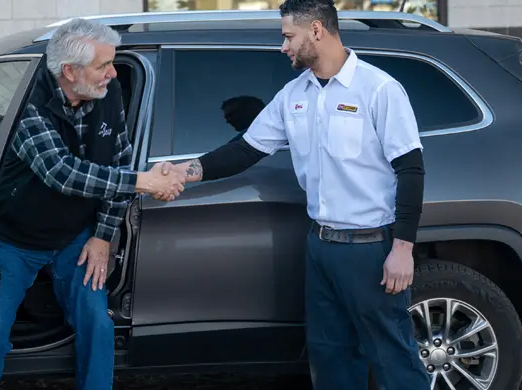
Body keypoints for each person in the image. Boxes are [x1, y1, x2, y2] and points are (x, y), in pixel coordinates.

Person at [158, 1, 430, 389]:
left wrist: (402, 248)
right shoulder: (293, 94)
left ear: (317, 30)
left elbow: (411, 169)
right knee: (329, 355)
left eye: (288, 36)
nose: (283, 46)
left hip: (370, 248)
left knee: (392, 357)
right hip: (320, 247)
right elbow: (245, 150)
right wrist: (182, 173)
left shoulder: (379, 89)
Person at [0, 18, 186, 390]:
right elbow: (63, 172)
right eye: (102, 66)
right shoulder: (28, 106)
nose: (111, 73)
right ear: (70, 71)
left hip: (75, 236)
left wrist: (103, 236)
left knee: (97, 324)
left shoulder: (110, 91)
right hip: (15, 241)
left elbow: (118, 161)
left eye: (111, 63)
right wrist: (145, 181)